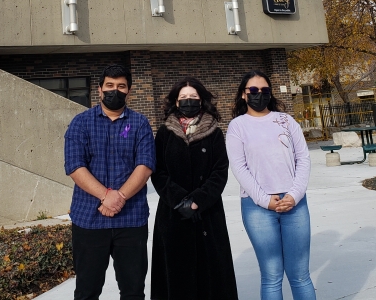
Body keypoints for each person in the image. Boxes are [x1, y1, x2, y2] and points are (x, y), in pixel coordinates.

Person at [63, 64, 156, 300]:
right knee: (87, 292)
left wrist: (119, 197)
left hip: (131, 220)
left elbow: (145, 165)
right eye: (110, 85)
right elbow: (74, 165)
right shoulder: (80, 123)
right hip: (89, 220)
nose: (115, 90)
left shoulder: (140, 123)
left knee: (133, 291)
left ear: (129, 91)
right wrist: (106, 196)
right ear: (100, 89)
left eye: (121, 86)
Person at [225, 70, 315, 300]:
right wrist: (265, 201)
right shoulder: (237, 126)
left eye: (264, 90)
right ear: (243, 94)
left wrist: (294, 195)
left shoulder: (286, 121)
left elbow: (303, 158)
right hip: (258, 207)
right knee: (272, 275)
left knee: (300, 275)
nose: (259, 94)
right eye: (253, 90)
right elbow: (239, 167)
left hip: (294, 204)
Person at [150, 77, 239, 300]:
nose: (188, 101)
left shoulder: (214, 132)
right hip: (173, 213)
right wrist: (180, 200)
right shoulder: (164, 133)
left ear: (201, 100)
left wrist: (198, 199)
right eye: (183, 97)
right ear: (175, 101)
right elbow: (158, 171)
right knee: (176, 276)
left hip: (207, 213)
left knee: (212, 276)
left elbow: (220, 171)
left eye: (193, 97)